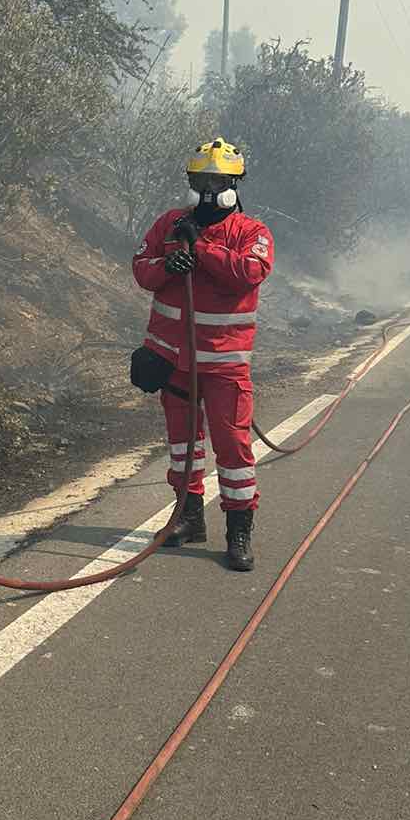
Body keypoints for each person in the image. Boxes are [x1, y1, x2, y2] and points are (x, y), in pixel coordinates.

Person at [132, 138, 273, 571]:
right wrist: (167, 265)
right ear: (191, 181)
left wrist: (202, 250)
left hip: (224, 367)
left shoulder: (252, 232)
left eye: (218, 181)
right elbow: (142, 268)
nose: (209, 189)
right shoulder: (169, 224)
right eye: (201, 180)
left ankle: (238, 531)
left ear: (234, 184)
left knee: (233, 449)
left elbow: (249, 272)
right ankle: (188, 517)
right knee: (183, 445)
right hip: (174, 362)